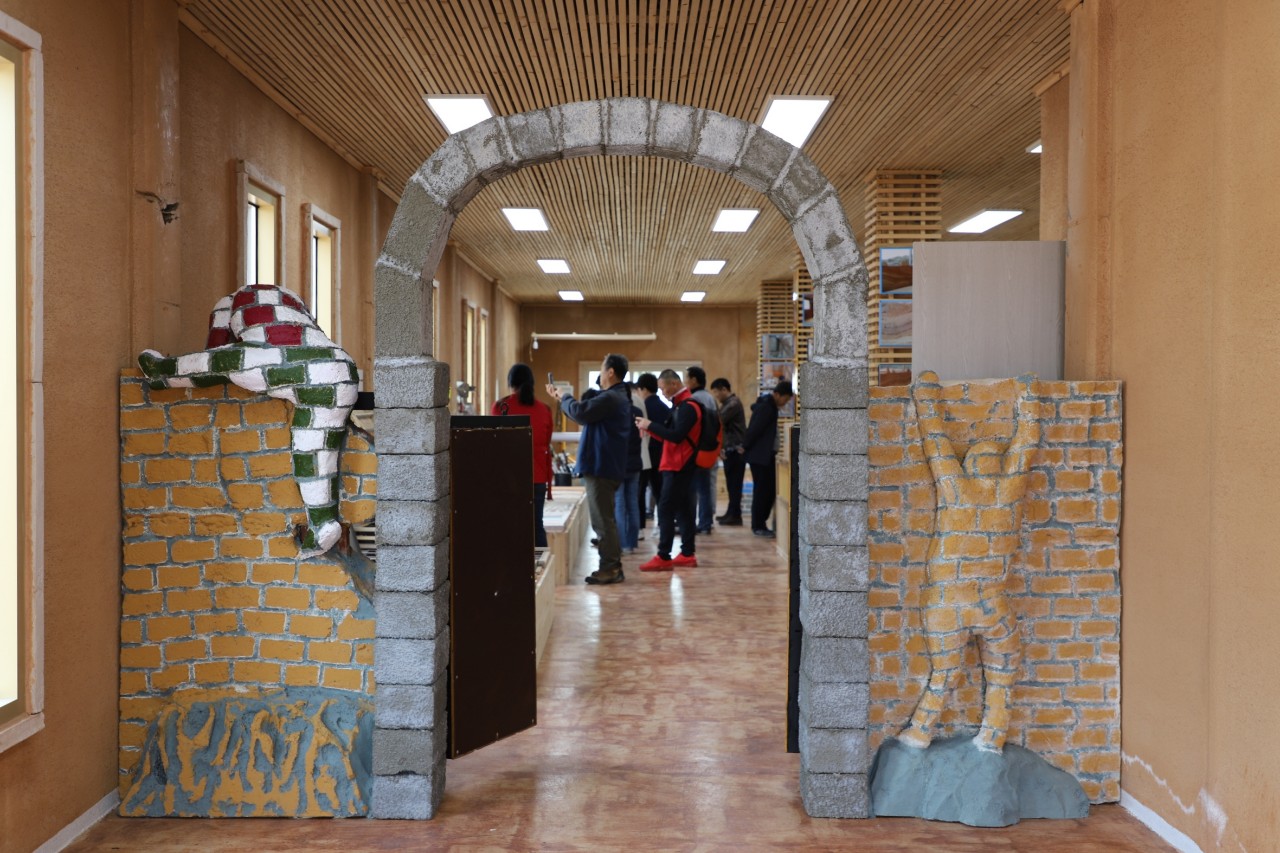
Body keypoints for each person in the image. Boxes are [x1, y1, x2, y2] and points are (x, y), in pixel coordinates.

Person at [546, 354, 632, 585]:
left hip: (602, 466)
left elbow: (581, 412)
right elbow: (582, 415)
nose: (600, 374)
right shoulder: (616, 397)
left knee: (602, 521)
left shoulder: (611, 397)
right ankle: (611, 565)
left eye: (602, 370)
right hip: (604, 465)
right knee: (604, 519)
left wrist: (565, 396)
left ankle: (610, 568)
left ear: (611, 372)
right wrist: (563, 400)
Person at [635, 370, 703, 571]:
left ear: (674, 384)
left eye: (663, 388)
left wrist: (650, 425)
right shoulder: (681, 405)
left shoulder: (688, 406)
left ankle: (664, 555)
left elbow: (676, 436)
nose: (662, 392)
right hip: (678, 463)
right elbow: (671, 436)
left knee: (665, 508)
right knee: (684, 510)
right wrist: (649, 429)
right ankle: (687, 553)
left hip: (679, 465)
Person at [493, 363, 554, 548]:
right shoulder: (545, 410)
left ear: (510, 383)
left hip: (508, 478)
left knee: (509, 526)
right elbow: (546, 444)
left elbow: (494, 444)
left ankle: (510, 564)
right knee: (536, 527)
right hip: (538, 477)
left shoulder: (501, 407)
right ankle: (540, 565)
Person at [738, 379, 795, 537]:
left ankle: (760, 523)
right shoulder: (767, 407)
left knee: (766, 490)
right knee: (762, 492)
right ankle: (758, 526)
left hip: (764, 456)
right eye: (785, 399)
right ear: (777, 394)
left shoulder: (769, 406)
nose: (785, 403)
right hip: (760, 457)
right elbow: (755, 429)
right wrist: (745, 445)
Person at [685, 366, 719, 534]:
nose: (685, 382)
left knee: (696, 489)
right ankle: (706, 522)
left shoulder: (695, 399)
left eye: (686, 378)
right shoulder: (710, 398)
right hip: (709, 448)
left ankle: (701, 523)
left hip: (696, 449)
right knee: (705, 488)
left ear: (693, 380)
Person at [710, 378, 746, 526]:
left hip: (736, 450)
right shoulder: (727, 404)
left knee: (735, 485)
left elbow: (718, 420)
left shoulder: (733, 404)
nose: (716, 395)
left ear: (724, 389)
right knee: (731, 485)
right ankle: (731, 513)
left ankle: (735, 515)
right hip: (730, 450)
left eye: (716, 392)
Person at [614, 386, 644, 553]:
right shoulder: (637, 412)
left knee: (619, 503)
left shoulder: (616, 413)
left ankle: (622, 543)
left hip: (619, 464)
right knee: (632, 503)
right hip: (635, 462)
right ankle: (631, 543)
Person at [636, 372, 667, 526]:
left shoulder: (643, 407)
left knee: (639, 492)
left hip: (645, 455)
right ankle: (664, 522)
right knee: (660, 491)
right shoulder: (665, 407)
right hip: (662, 454)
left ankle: (640, 525)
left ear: (644, 389)